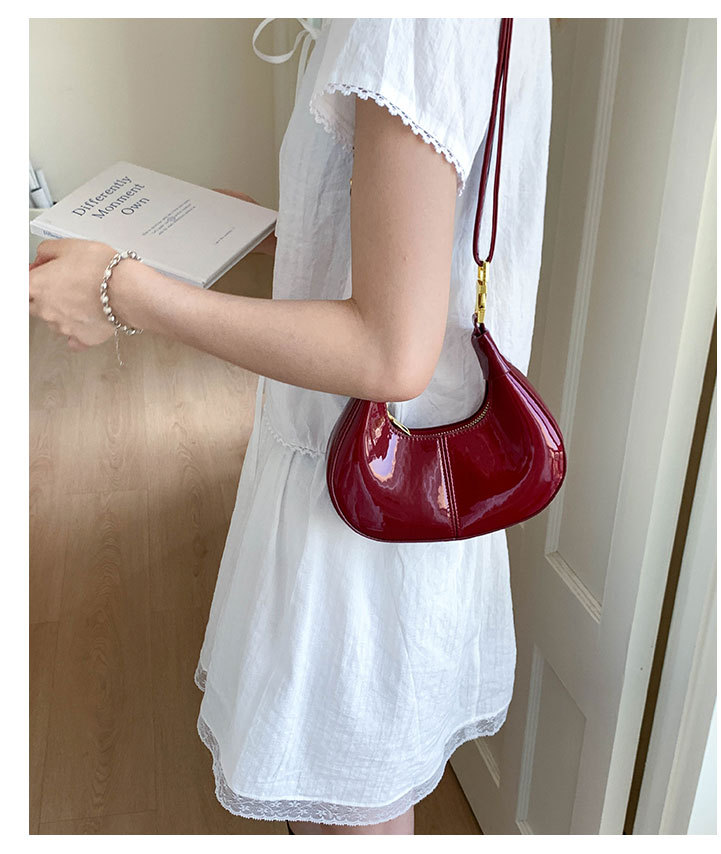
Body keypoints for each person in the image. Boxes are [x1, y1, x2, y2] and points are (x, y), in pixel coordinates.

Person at [29, 17, 552, 836]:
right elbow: (424, 238)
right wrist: (287, 225)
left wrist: (122, 293)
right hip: (380, 501)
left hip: (363, 516)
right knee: (364, 802)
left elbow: (390, 352)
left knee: (352, 810)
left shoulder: (407, 20)